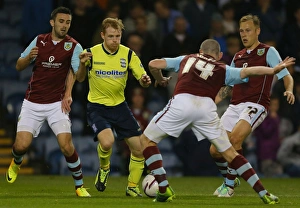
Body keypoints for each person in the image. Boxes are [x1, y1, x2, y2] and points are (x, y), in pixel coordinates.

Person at [140, 38, 295, 204]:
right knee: (230, 153)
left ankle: (163, 189)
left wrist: (160, 79)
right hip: (206, 109)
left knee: (146, 140)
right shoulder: (223, 68)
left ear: (200, 51)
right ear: (219, 55)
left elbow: (153, 64)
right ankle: (264, 193)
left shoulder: (187, 58)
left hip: (182, 102)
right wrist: (272, 71)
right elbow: (247, 72)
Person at [5, 6, 91, 197]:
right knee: (21, 146)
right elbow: (19, 66)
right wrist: (29, 57)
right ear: (52, 22)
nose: (64, 26)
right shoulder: (39, 40)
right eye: (61, 21)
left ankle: (79, 186)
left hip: (56, 104)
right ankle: (16, 161)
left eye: (68, 22)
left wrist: (83, 64)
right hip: (32, 102)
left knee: (67, 146)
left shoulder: (74, 46)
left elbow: (81, 77)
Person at [210, 14, 295, 197]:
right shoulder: (238, 56)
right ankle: (232, 174)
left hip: (255, 105)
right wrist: (214, 100)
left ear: (257, 31)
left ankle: (229, 186)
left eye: (248, 30)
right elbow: (229, 84)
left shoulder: (268, 51)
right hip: (234, 106)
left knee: (234, 140)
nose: (244, 34)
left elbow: (286, 76)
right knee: (215, 150)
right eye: (241, 31)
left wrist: (289, 90)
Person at [77, 17, 151, 197]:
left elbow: (143, 79)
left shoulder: (128, 54)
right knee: (108, 141)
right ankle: (104, 168)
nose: (115, 40)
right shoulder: (91, 53)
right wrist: (81, 64)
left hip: (120, 107)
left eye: (118, 36)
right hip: (97, 107)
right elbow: (79, 79)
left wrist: (145, 80)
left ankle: (132, 187)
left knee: (139, 149)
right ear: (102, 35)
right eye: (111, 36)